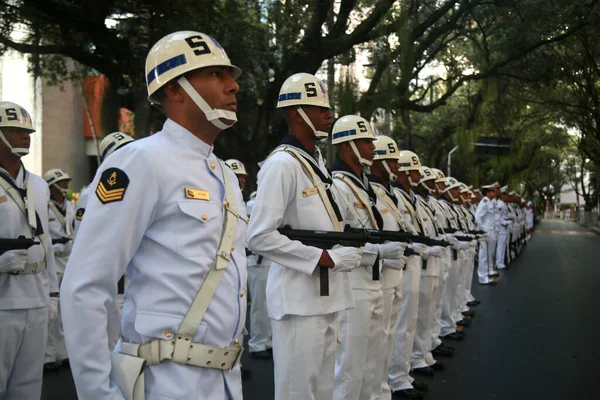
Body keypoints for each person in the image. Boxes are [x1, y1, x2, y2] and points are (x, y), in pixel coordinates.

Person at [60, 31, 249, 399]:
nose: (232, 87)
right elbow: (84, 286)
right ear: (176, 90)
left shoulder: (224, 174)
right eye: (215, 74)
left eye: (231, 77)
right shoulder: (140, 161)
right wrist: (99, 394)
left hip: (226, 381)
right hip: (165, 382)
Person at [247, 72, 362, 400]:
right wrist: (324, 258)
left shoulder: (315, 164)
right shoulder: (282, 165)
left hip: (325, 297)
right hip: (298, 301)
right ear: (297, 114)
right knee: (299, 392)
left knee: (322, 390)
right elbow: (259, 235)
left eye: (328, 109)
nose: (329, 114)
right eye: (320, 108)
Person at [330, 118, 406, 400]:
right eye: (366, 141)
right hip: (353, 285)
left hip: (373, 282)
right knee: (350, 365)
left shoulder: (361, 186)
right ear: (348, 145)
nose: (373, 147)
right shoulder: (339, 186)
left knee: (373, 358)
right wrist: (377, 252)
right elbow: (338, 241)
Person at [0, 101, 59, 399]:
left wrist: (52, 292)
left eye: (28, 131)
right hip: (2, 300)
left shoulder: (38, 184)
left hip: (35, 296)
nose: (25, 136)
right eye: (15, 130)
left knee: (28, 386)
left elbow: (45, 239)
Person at [74, 132, 134, 351]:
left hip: (138, 278)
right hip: (111, 280)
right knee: (113, 339)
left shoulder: (143, 190)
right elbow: (82, 243)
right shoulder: (91, 195)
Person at [43, 168, 75, 370]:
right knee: (51, 311)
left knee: (66, 310)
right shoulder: (44, 206)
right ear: (52, 185)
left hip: (69, 258)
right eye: (61, 182)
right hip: (53, 260)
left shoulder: (70, 205)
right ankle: (47, 356)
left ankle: (63, 354)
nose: (65, 186)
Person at [475, 183, 498, 285]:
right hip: (486, 232)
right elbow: (477, 217)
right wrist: (484, 231)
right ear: (488, 193)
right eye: (492, 191)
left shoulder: (489, 202)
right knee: (484, 255)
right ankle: (482, 277)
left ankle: (488, 273)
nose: (494, 193)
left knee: (489, 254)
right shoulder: (484, 202)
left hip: (490, 231)